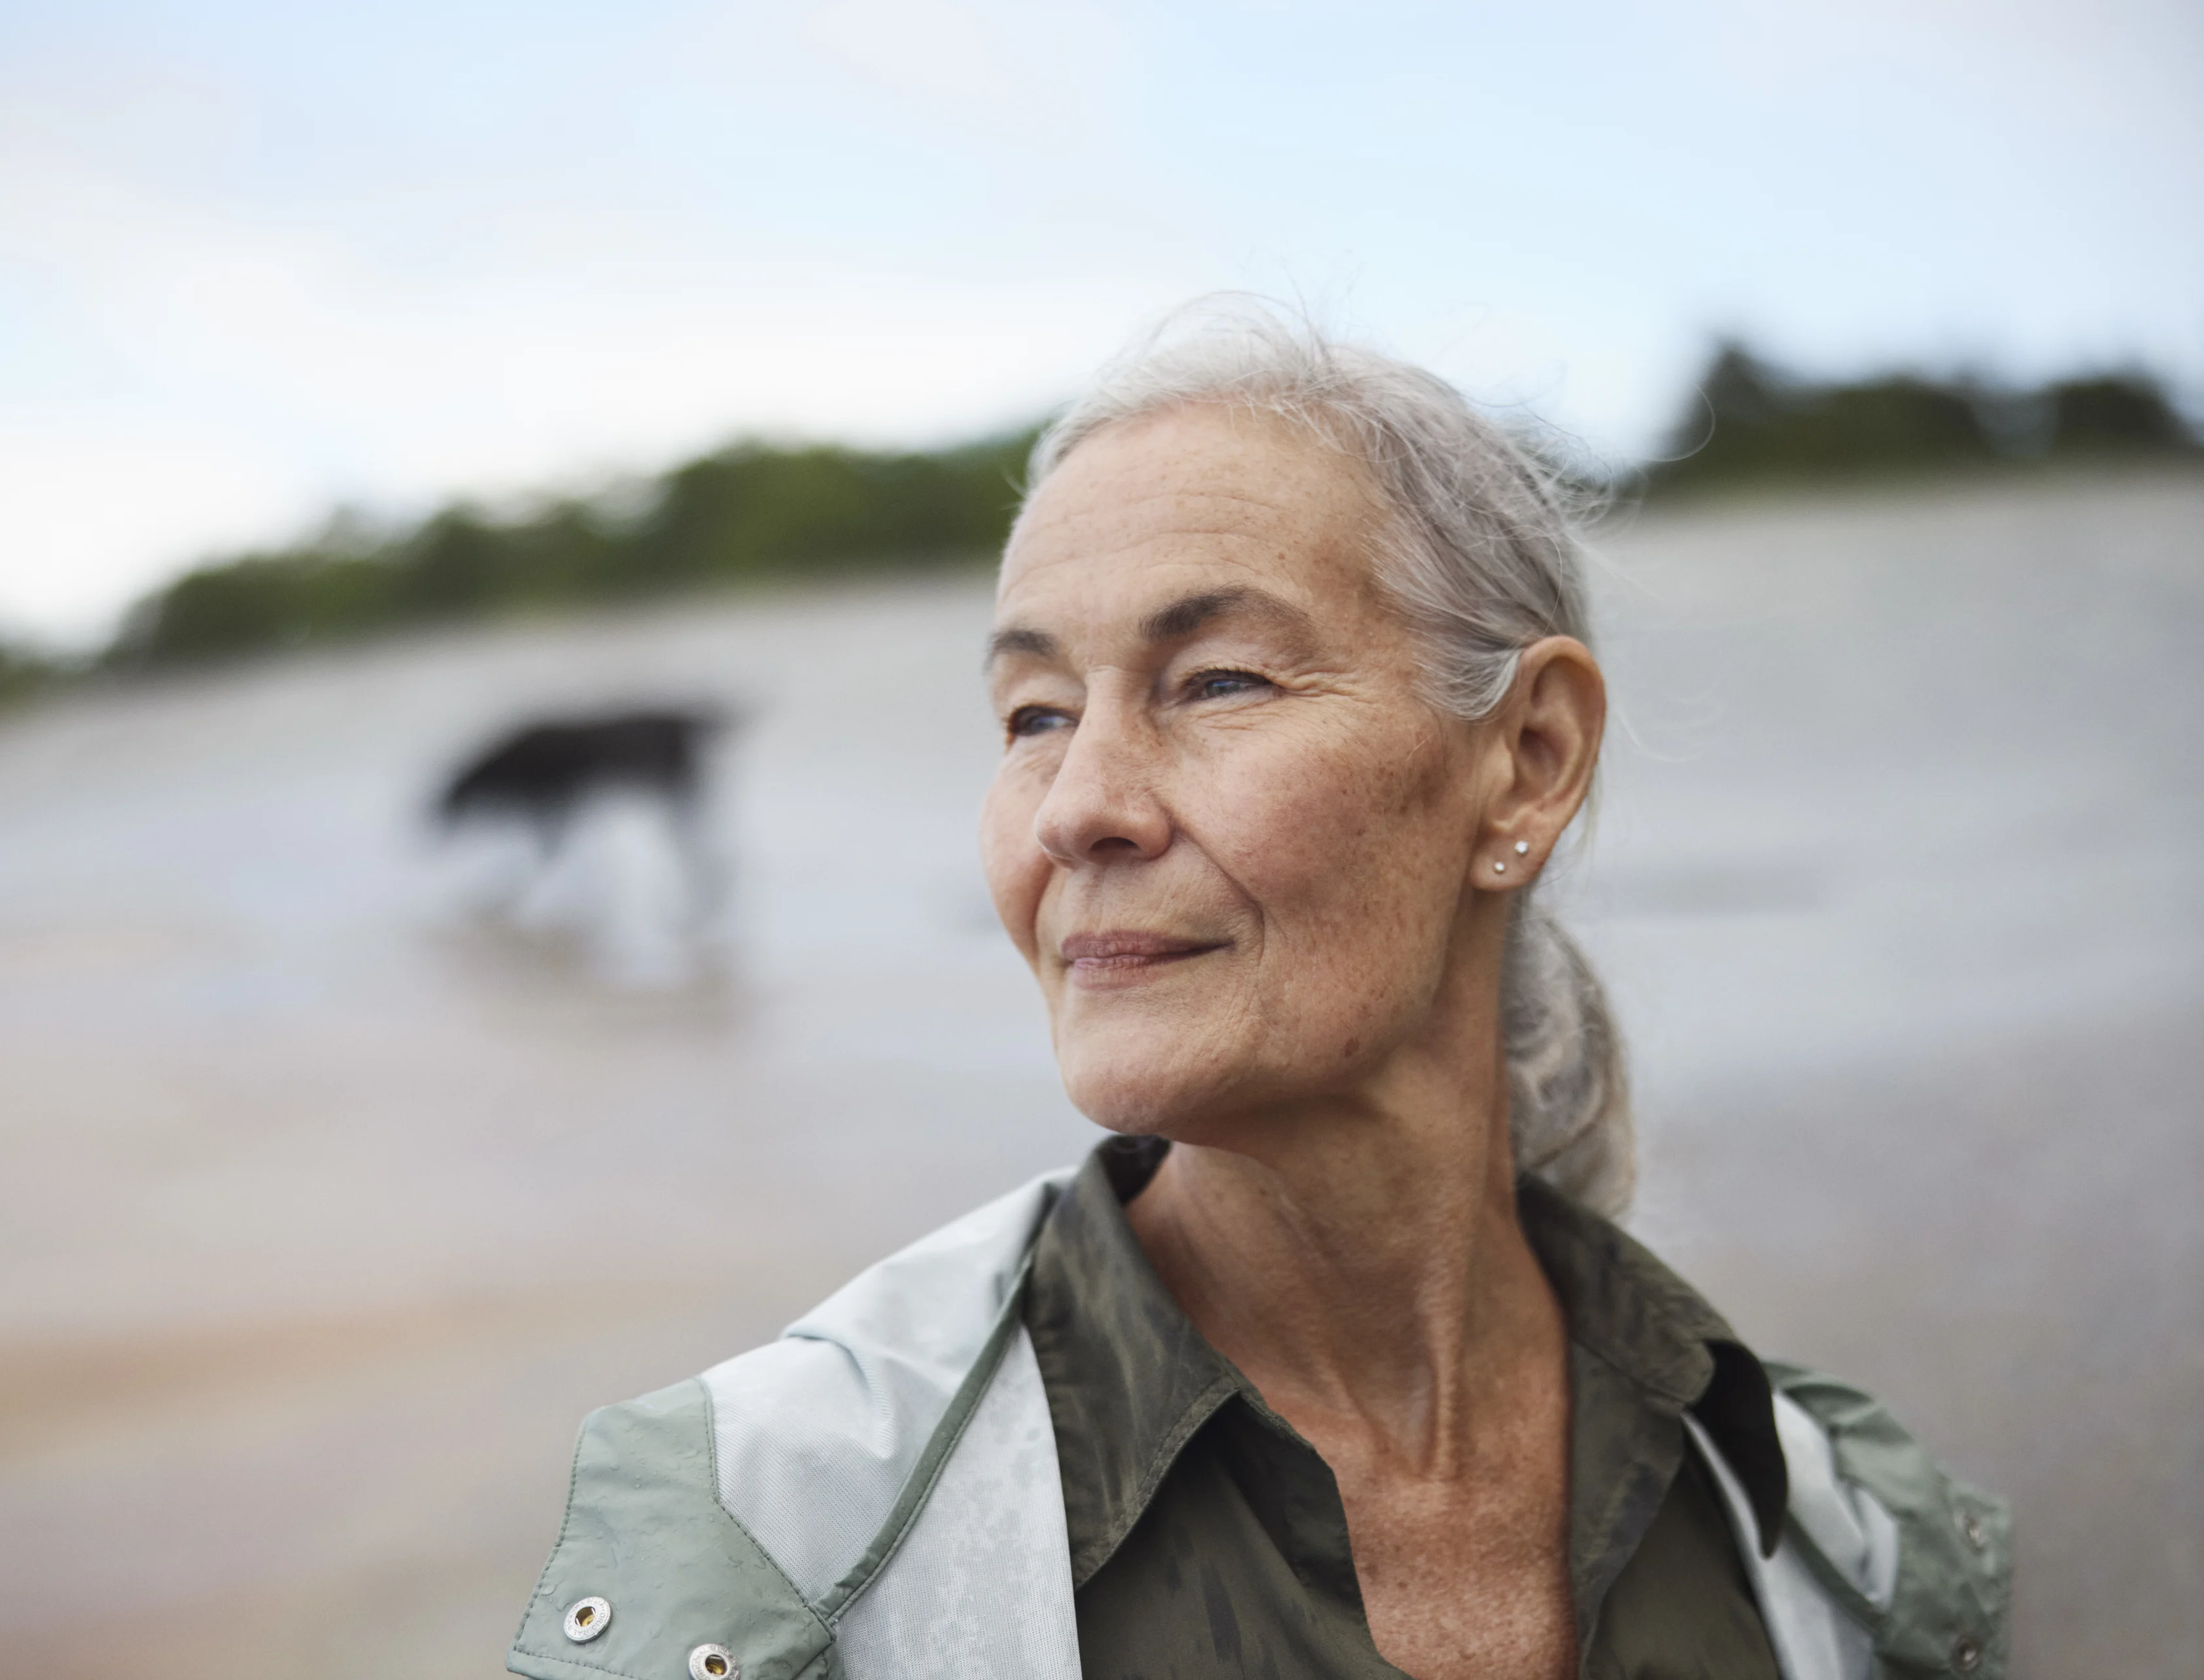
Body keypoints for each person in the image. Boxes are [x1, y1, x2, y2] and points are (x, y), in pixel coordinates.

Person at [502, 302, 2011, 1680]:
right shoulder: (771, 1543)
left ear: (1528, 760)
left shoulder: (1838, 1533)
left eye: (1217, 679)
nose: (1075, 806)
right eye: (1033, 712)